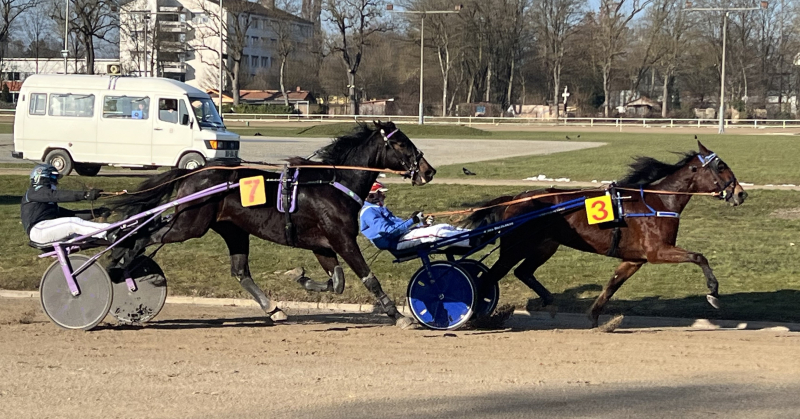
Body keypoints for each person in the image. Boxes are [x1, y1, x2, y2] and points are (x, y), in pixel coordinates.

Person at [359, 181, 471, 251]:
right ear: (370, 195)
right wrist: (412, 221)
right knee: (436, 233)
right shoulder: (369, 213)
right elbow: (389, 232)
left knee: (443, 226)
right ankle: (470, 241)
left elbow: (400, 227)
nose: (383, 195)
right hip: (395, 242)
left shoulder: (377, 209)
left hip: (401, 236)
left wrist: (421, 224)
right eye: (380, 192)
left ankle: (472, 233)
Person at [21, 164, 111, 244]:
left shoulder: (48, 204)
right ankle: (109, 230)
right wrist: (86, 195)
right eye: (53, 177)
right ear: (41, 177)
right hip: (38, 230)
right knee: (72, 223)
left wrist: (97, 213)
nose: (56, 182)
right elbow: (55, 195)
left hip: (46, 229)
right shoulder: (33, 192)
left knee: (90, 237)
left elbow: (72, 214)